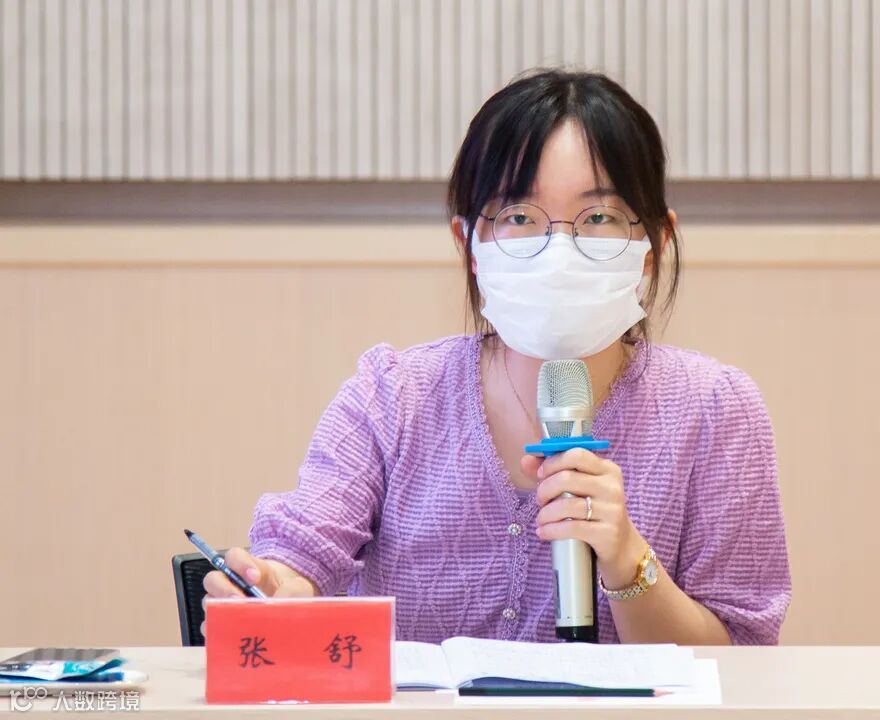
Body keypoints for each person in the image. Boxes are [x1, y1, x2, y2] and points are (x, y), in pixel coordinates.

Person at [204, 68, 791, 646]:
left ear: (653, 245)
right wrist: (270, 586)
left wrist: (628, 560)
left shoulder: (715, 408)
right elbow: (303, 552)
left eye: (599, 218)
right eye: (518, 218)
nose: (559, 249)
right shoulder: (392, 394)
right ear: (469, 244)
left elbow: (740, 652)